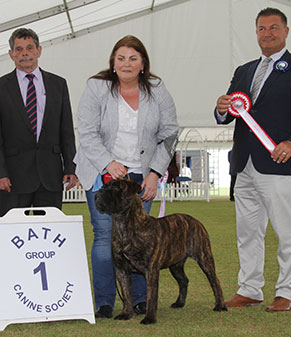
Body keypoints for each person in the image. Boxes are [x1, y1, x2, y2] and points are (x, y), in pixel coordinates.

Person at [74, 35, 178, 318]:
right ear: (113, 62)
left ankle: (140, 300)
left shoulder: (157, 89)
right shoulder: (97, 87)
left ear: (143, 63)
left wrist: (155, 172)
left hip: (141, 175)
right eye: (121, 58)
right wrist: (108, 163)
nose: (126, 63)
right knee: (106, 235)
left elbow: (169, 133)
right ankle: (105, 301)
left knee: (139, 237)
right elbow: (86, 132)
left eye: (133, 58)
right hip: (101, 170)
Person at [215, 7, 291, 312]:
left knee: (287, 232)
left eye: (274, 28)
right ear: (256, 33)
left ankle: (287, 291)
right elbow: (226, 115)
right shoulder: (244, 70)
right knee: (247, 232)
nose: (267, 33)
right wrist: (222, 107)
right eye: (262, 29)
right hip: (244, 165)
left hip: (280, 163)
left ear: (286, 31)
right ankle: (250, 289)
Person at [0, 28, 76, 217]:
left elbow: (66, 130)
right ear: (11, 54)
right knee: (12, 237)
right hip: (13, 179)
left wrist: (70, 167)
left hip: (50, 176)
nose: (24, 53)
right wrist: (1, 173)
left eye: (29, 48)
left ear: (39, 50)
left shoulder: (59, 84)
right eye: (18, 49)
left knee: (49, 233)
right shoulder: (1, 87)